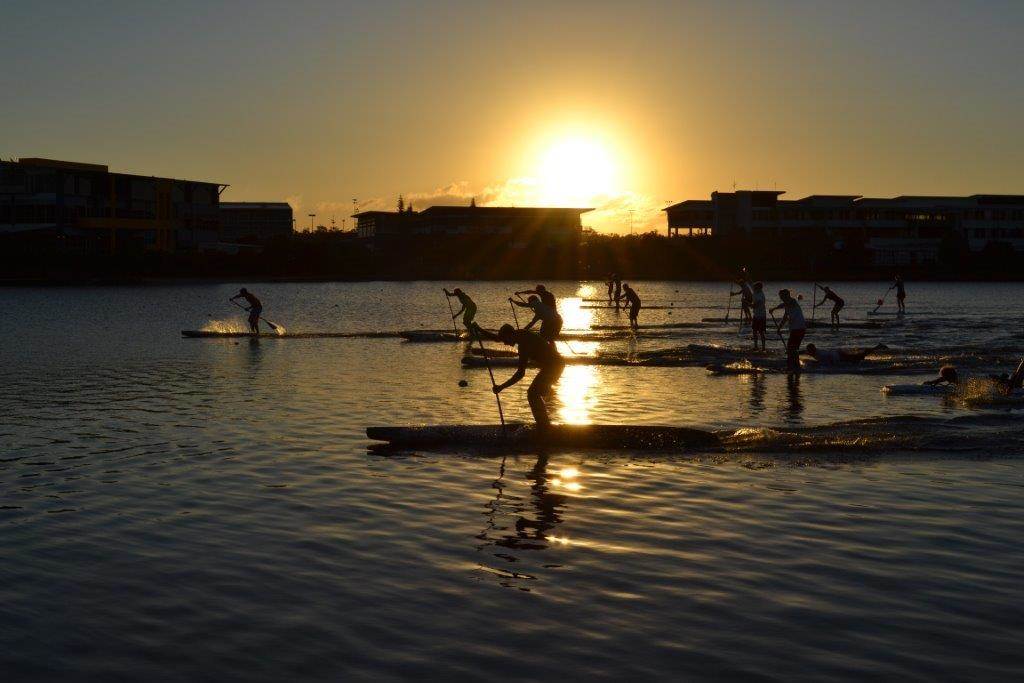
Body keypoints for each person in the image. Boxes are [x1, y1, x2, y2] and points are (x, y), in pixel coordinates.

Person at [477, 324, 565, 429]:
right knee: (535, 393)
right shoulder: (519, 333)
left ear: (509, 334)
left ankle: (544, 427)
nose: (505, 343)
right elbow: (497, 338)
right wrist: (479, 329)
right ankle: (544, 424)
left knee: (532, 393)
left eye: (505, 340)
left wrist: (501, 387)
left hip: (554, 366)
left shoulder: (523, 345)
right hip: (551, 366)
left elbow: (520, 374)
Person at [770, 289, 807, 373]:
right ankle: (794, 366)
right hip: (796, 329)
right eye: (780, 297)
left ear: (786, 295)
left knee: (791, 348)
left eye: (781, 296)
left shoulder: (792, 301)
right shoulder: (787, 305)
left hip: (799, 328)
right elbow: (785, 318)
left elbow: (785, 304)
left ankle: (792, 366)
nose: (781, 298)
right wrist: (779, 328)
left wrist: (774, 308)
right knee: (793, 348)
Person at [803, 343, 887, 364]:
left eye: (809, 351)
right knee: (857, 357)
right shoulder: (814, 352)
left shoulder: (819, 354)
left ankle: (878, 347)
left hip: (838, 355)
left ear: (812, 350)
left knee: (858, 357)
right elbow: (804, 352)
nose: (808, 353)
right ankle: (877, 347)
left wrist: (836, 364)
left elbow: (831, 358)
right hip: (837, 353)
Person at [751, 281, 767, 351]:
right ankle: (756, 346)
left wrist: (745, 302)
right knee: (754, 331)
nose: (753, 288)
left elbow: (754, 306)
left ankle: (763, 347)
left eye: (755, 287)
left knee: (761, 332)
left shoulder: (761, 295)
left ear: (759, 288)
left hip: (761, 316)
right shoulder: (755, 293)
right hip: (756, 315)